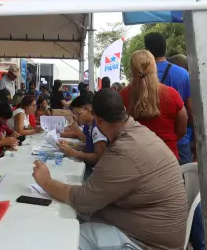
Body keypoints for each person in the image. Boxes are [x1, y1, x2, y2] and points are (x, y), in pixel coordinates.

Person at [33, 89, 188, 250]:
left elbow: (83, 200)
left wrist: (46, 182)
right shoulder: (138, 132)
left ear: (98, 120)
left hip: (146, 242)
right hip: (148, 225)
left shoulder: (124, 151)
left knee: (62, 239)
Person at [120, 50, 188, 159]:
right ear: (154, 68)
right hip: (168, 159)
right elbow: (182, 130)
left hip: (135, 160)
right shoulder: (172, 94)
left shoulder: (121, 96)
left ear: (131, 70)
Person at [144, 32, 194, 164]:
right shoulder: (182, 74)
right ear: (165, 48)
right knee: (184, 175)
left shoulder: (143, 77)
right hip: (180, 141)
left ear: (147, 51)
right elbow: (190, 109)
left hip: (151, 143)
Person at [57, 95, 108, 168]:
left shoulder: (96, 128)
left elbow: (99, 158)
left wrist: (73, 152)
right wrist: (70, 145)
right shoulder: (87, 126)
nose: (76, 118)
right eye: (74, 115)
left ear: (87, 109)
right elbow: (88, 146)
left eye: (78, 114)